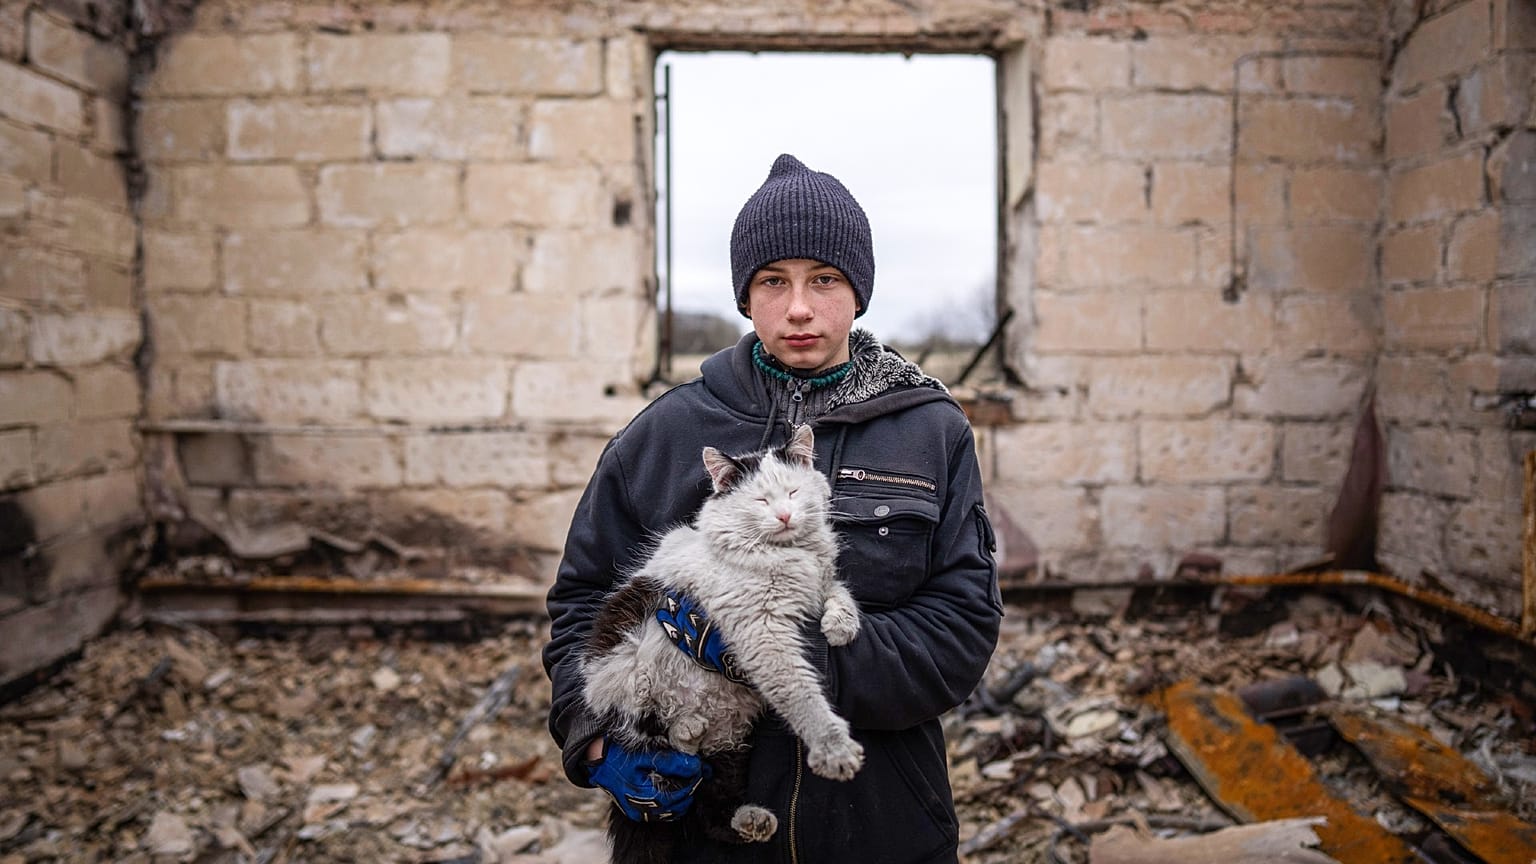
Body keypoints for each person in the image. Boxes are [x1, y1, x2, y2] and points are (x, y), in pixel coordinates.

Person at [543, 153, 1003, 863]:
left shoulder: (930, 432)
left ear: (858, 292)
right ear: (744, 295)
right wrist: (592, 737)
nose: (797, 307)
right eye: (772, 281)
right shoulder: (666, 434)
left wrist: (792, 652)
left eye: (823, 279)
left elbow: (961, 628)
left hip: (876, 825)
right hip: (695, 832)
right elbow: (581, 598)